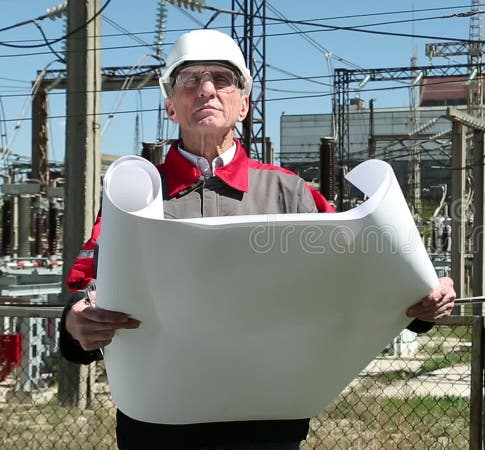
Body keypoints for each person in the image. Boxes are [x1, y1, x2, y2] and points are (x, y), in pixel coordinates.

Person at [58, 29, 457, 450]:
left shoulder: (290, 193)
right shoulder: (133, 199)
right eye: (189, 80)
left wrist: (425, 304)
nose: (206, 90)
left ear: (244, 104)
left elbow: (369, 274)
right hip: (158, 426)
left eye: (222, 78)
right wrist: (75, 324)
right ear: (170, 105)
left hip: (266, 426)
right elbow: (85, 298)